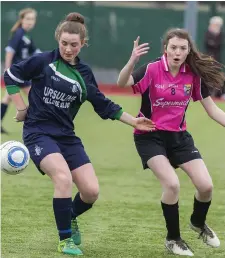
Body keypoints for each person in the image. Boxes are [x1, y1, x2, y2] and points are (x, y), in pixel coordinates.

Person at [4, 12, 155, 256]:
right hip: (38, 132)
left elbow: (104, 105)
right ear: (58, 39)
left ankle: (69, 216)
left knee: (91, 192)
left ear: (83, 43)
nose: (68, 48)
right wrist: (22, 108)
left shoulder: (84, 74)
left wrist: (133, 121)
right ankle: (65, 241)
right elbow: (10, 76)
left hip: (66, 136)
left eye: (74, 44)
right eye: (64, 43)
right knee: (63, 179)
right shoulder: (42, 61)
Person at [117, 28, 225, 256]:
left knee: (206, 187)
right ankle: (173, 239)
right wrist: (132, 60)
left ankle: (197, 223)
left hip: (179, 138)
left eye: (182, 48)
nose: (177, 52)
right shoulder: (152, 69)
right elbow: (122, 83)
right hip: (150, 135)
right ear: (165, 49)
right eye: (173, 48)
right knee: (172, 184)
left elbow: (213, 110)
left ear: (188, 51)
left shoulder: (193, 75)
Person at [1, 8, 40, 134]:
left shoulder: (26, 35)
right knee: (34, 96)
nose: (30, 22)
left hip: (21, 73)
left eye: (32, 19)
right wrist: (7, 70)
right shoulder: (19, 33)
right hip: (17, 73)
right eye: (27, 19)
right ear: (22, 20)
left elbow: (36, 52)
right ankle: (35, 126)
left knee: (7, 98)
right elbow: (9, 51)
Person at [204, 16, 225, 98]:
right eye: (216, 25)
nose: (217, 27)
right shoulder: (208, 33)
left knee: (218, 77)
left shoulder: (220, 34)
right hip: (208, 60)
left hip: (217, 60)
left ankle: (218, 94)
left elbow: (217, 44)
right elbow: (209, 44)